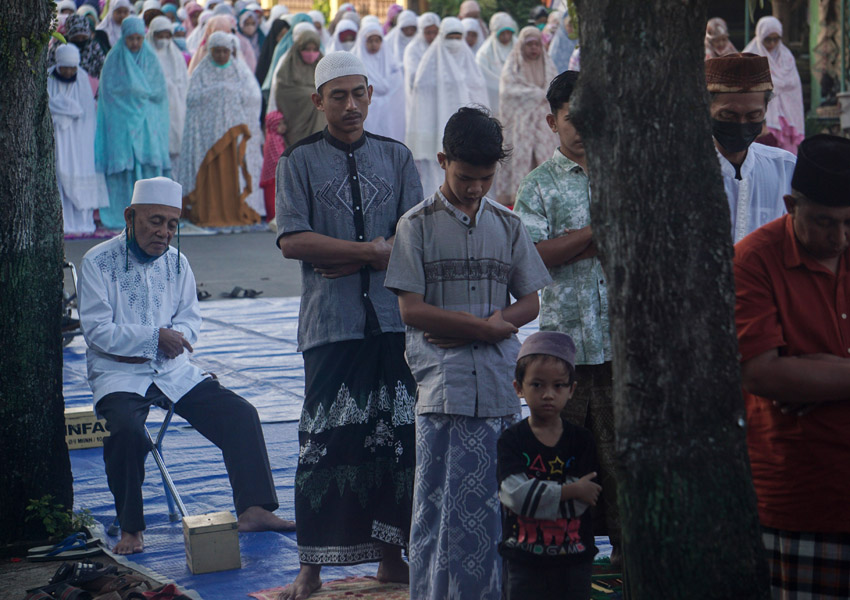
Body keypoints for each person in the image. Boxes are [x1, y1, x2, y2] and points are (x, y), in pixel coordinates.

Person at [385, 106, 551, 600]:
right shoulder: (415, 225)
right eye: (465, 177)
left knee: (499, 507)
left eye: (485, 177)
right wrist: (486, 327)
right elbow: (411, 310)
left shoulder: (509, 224)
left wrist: (481, 330)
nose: (476, 187)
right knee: (440, 509)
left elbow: (530, 300)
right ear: (441, 161)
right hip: (444, 390)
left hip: (500, 387)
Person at [77, 177, 293, 555]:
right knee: (127, 431)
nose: (164, 232)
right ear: (130, 216)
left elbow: (191, 318)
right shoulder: (98, 262)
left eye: (172, 224)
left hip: (173, 370)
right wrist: (156, 337)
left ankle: (254, 509)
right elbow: (98, 331)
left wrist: (175, 336)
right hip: (119, 375)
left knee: (240, 415)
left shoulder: (177, 262)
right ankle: (131, 529)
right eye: (155, 221)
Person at [275, 51, 420, 600]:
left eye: (359, 93)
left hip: (393, 323)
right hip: (331, 326)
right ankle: (310, 571)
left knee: (396, 441)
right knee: (326, 445)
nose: (352, 105)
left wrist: (353, 256)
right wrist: (370, 251)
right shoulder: (299, 161)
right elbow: (293, 240)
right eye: (339, 95)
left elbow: (413, 238)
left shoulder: (397, 157)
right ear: (318, 101)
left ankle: (391, 559)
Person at [733, 134, 850, 600]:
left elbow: (785, 373)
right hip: (799, 491)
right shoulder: (754, 260)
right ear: (790, 204)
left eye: (848, 224)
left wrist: (817, 376)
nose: (839, 239)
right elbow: (762, 373)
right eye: (824, 223)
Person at [514, 70, 622, 567]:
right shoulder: (538, 186)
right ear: (552, 121)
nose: (580, 129)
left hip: (623, 348)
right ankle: (561, 556)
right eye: (570, 119)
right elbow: (534, 257)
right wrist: (599, 232)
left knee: (622, 460)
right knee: (561, 459)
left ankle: (629, 553)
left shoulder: (623, 172)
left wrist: (573, 241)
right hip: (565, 355)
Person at [498, 331, 600, 600]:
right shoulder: (511, 440)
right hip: (523, 560)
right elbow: (514, 496)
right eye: (537, 385)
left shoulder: (582, 440)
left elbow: (585, 499)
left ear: (571, 390)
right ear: (519, 387)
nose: (548, 395)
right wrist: (569, 490)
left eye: (558, 386)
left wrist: (536, 497)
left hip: (575, 558)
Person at [705, 53, 795, 242]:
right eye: (728, 116)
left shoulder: (786, 168)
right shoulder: (684, 169)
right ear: (706, 107)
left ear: (765, 110)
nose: (742, 124)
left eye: (753, 116)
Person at [177, 31, 264, 227]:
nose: (221, 56)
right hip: (207, 138)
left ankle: (233, 210)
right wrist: (216, 92)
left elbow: (252, 98)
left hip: (232, 136)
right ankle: (208, 211)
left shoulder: (238, 71)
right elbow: (191, 99)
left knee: (231, 174)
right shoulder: (201, 71)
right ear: (210, 52)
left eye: (225, 51)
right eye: (217, 51)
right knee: (211, 175)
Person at [95, 16, 170, 230]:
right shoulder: (114, 59)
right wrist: (135, 96)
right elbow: (109, 93)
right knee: (124, 172)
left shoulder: (151, 59)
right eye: (131, 39)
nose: (135, 43)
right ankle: (123, 214)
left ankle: (151, 216)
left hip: (147, 123)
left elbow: (158, 92)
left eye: (138, 38)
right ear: (123, 38)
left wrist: (138, 95)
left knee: (147, 171)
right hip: (122, 124)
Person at [406, 17, 488, 197]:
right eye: (450, 37)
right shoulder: (428, 66)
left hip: (466, 133)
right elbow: (421, 101)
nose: (454, 43)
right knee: (436, 176)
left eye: (458, 37)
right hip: (435, 133)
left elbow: (479, 93)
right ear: (442, 37)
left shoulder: (469, 62)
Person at [48, 44, 109, 236]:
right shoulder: (48, 78)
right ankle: (63, 221)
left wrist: (66, 110)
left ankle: (82, 222)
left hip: (80, 141)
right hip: (58, 138)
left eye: (72, 67)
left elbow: (87, 114)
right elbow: (47, 104)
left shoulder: (82, 78)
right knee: (58, 175)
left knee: (81, 175)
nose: (68, 72)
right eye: (64, 67)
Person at [496, 26, 558, 207]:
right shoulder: (513, 65)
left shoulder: (548, 65)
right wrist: (535, 95)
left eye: (537, 44)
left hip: (544, 124)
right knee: (524, 162)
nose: (534, 49)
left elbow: (554, 90)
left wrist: (543, 97)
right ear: (521, 46)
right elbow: (507, 92)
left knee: (545, 160)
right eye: (529, 45)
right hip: (520, 126)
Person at [744, 16, 806, 154]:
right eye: (768, 39)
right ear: (760, 37)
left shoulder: (786, 57)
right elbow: (746, 88)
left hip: (787, 120)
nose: (772, 44)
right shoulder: (750, 57)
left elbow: (794, 86)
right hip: (761, 122)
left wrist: (773, 86)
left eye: (776, 39)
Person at [146, 16, 188, 169]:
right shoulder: (146, 56)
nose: (163, 39)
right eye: (160, 35)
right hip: (153, 109)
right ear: (152, 35)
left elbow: (184, 84)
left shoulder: (176, 56)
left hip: (175, 110)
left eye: (167, 35)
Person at [352, 21, 405, 140]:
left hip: (388, 109)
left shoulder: (391, 62)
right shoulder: (355, 62)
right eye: (370, 41)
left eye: (377, 41)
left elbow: (396, 85)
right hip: (367, 109)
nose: (374, 44)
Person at [273, 28, 326, 147]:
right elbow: (283, 92)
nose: (311, 53)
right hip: (296, 124)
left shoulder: (322, 66)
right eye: (307, 49)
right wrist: (309, 95)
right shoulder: (288, 67)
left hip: (319, 123)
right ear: (299, 49)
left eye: (315, 49)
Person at [475, 12, 517, 114]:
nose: (506, 36)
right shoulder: (484, 54)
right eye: (502, 33)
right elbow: (484, 80)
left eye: (509, 32)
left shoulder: (519, 48)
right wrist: (505, 87)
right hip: (495, 102)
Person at [402, 12, 439, 95]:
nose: (432, 36)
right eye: (428, 32)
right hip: (421, 95)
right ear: (421, 31)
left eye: (435, 32)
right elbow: (413, 75)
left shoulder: (441, 48)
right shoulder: (412, 49)